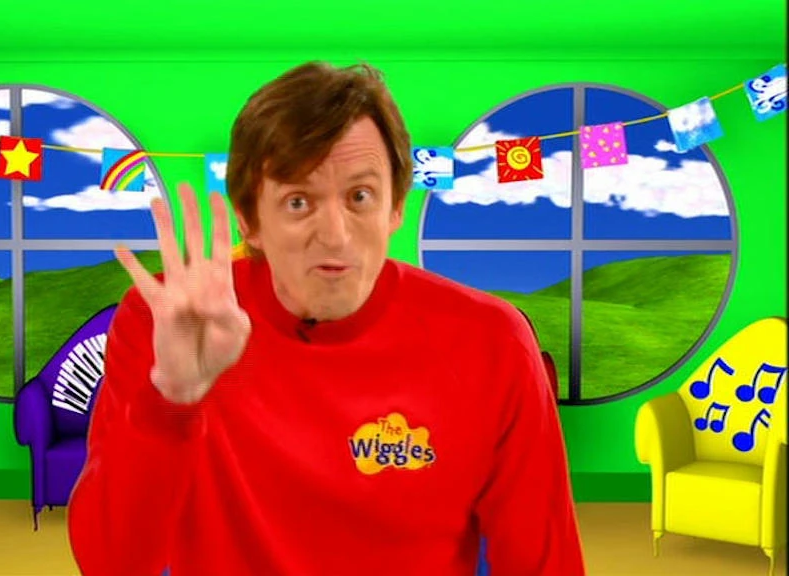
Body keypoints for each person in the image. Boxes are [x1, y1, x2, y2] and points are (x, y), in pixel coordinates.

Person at [68, 61, 586, 575]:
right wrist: (172, 400)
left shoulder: (491, 342)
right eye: (298, 201)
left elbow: (547, 565)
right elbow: (109, 563)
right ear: (249, 220)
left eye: (360, 197)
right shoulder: (171, 321)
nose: (335, 235)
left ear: (395, 208)